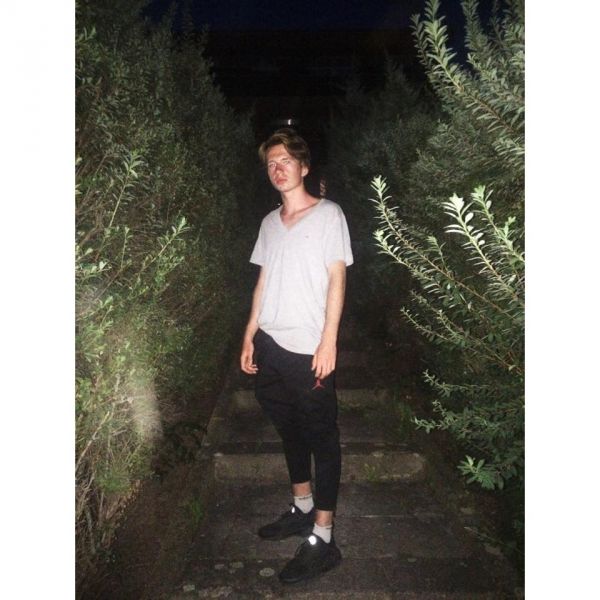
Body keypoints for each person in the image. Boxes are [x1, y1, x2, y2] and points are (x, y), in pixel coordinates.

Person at [240, 128, 353, 584]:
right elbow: (263, 281)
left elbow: (337, 278)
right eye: (271, 162)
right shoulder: (269, 223)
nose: (278, 168)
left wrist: (329, 340)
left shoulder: (328, 215)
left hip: (309, 349)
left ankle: (323, 538)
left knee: (322, 438)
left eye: (286, 160)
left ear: (304, 167)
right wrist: (249, 334)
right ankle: (302, 507)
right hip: (271, 344)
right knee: (289, 428)